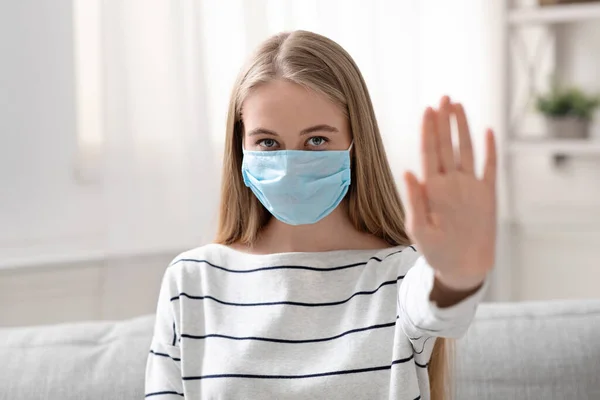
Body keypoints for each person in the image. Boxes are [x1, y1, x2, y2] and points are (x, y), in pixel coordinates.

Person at [145, 30, 496, 400]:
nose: (291, 162)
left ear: (355, 143)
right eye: (268, 142)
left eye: (316, 140)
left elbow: (442, 305)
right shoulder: (192, 280)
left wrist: (459, 272)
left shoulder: (399, 274)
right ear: (241, 148)